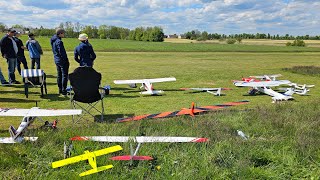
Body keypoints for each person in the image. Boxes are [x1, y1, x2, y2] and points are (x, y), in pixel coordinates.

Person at [50, 28, 69, 95]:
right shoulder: (59, 42)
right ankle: (64, 90)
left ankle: (60, 89)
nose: (64, 34)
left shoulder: (53, 39)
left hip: (56, 59)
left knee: (59, 75)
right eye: (63, 33)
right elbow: (62, 52)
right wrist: (66, 60)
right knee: (64, 75)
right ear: (60, 33)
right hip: (62, 60)